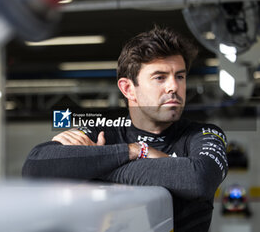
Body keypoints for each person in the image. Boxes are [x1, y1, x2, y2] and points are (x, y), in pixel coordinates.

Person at [22, 26, 228, 232]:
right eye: (160, 77)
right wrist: (135, 151)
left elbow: (199, 179)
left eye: (180, 76)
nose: (173, 86)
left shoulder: (203, 134)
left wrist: (94, 164)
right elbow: (35, 166)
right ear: (128, 88)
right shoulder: (103, 131)